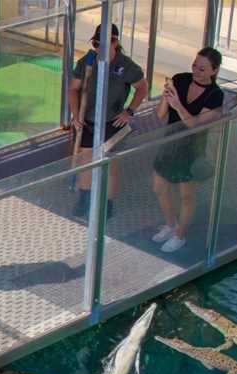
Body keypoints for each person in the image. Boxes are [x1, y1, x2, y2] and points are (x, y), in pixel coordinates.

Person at [68, 24, 148, 219]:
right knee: (86, 162)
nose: (97, 48)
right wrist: (76, 113)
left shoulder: (126, 66)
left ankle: (108, 204)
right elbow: (73, 89)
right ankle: (85, 200)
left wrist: (129, 111)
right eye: (95, 44)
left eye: (100, 44)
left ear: (114, 42)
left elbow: (142, 88)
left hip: (113, 122)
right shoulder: (86, 62)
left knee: (109, 165)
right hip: (88, 121)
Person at [151, 47, 224, 253]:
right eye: (194, 65)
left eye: (202, 68)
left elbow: (194, 125)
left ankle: (180, 235)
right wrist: (166, 98)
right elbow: (161, 115)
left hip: (192, 149)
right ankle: (171, 224)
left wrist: (177, 104)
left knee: (187, 196)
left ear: (214, 71)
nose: (196, 71)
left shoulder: (215, 95)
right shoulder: (180, 80)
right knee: (159, 187)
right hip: (169, 144)